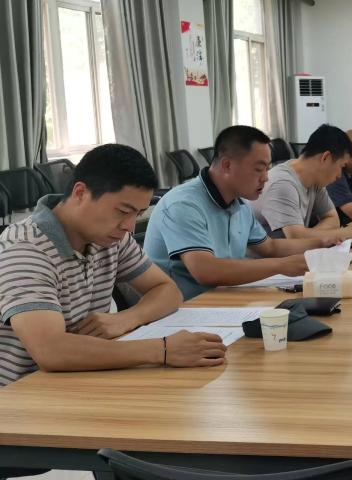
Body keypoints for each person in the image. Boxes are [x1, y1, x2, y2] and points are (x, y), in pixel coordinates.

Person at [0, 144, 225, 388]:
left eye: (138, 214)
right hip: (23, 394)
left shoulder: (108, 238)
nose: (129, 226)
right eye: (123, 211)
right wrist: (163, 350)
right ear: (80, 193)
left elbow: (168, 291)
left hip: (83, 379)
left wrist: (127, 318)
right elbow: (51, 350)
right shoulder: (25, 250)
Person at [144, 126, 344, 300]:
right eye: (259, 169)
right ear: (227, 165)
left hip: (222, 299)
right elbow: (206, 271)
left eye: (267, 169)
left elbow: (270, 247)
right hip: (182, 309)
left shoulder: (239, 203)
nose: (266, 178)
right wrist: (281, 266)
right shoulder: (184, 204)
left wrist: (322, 242)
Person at [251, 124, 352, 240]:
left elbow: (333, 219)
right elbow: (296, 238)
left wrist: (309, 235)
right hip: (273, 254)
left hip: (299, 251)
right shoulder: (282, 183)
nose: (339, 175)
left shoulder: (316, 180)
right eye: (341, 166)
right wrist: (343, 233)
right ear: (325, 158)